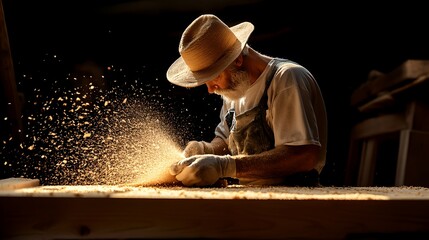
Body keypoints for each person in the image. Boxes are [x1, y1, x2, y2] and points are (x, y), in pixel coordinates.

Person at [166, 14, 327, 187]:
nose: (211, 89)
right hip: (251, 195)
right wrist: (206, 150)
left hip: (295, 199)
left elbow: (303, 156)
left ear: (238, 59)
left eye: (215, 77)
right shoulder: (234, 89)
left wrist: (224, 165)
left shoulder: (286, 80)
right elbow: (227, 141)